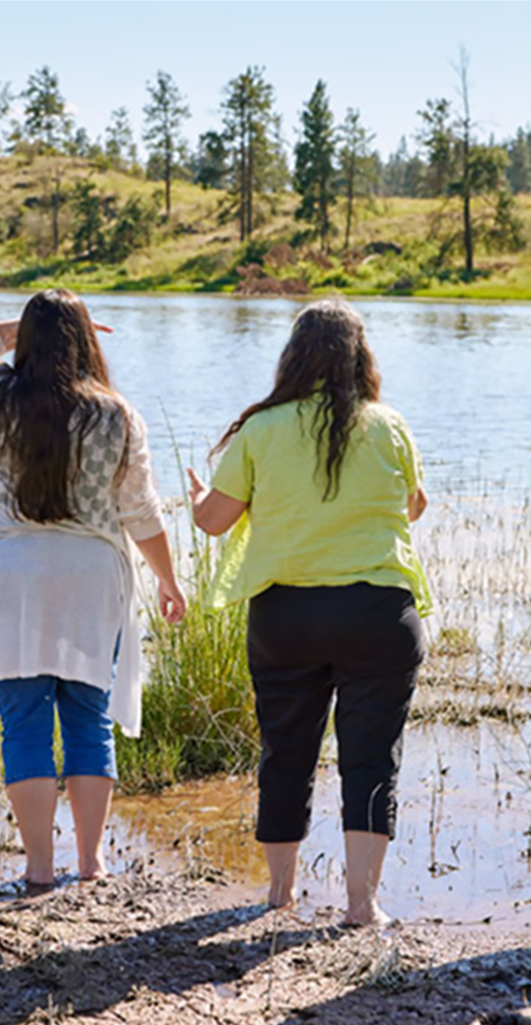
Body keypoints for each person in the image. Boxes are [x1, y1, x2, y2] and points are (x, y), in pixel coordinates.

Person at [188, 299, 431, 927]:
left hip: (286, 615)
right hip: (379, 613)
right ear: (361, 358)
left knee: (285, 751)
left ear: (293, 356)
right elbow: (413, 507)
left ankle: (279, 894)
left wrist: (197, 498)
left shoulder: (261, 430)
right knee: (372, 757)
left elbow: (213, 522)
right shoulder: (389, 424)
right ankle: (362, 905)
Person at [0, 289, 185, 890]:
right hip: (90, 584)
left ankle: (39, 868)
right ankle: (92, 862)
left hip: (8, 582)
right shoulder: (117, 415)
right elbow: (142, 514)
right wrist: (168, 579)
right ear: (86, 344)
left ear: (26, 341)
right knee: (87, 719)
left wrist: (22, 329)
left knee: (23, 723)